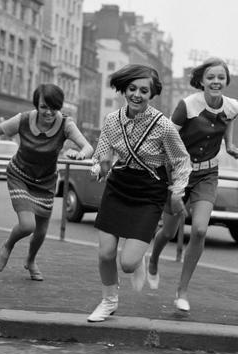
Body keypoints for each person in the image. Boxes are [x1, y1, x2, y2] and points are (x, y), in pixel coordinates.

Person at [87, 64, 191, 322]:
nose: (137, 95)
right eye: (132, 88)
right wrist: (99, 168)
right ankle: (109, 301)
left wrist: (177, 191)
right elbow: (101, 155)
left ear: (152, 93)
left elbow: (181, 161)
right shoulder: (112, 121)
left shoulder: (164, 126)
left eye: (143, 90)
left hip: (148, 192)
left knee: (128, 263)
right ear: (124, 89)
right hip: (118, 186)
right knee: (105, 253)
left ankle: (140, 257)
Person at [148, 58, 238, 313]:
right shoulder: (187, 106)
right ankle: (154, 259)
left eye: (220, 77)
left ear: (226, 81)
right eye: (210, 77)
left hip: (207, 174)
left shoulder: (232, 106)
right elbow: (166, 137)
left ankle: (182, 291)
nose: (216, 82)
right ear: (201, 81)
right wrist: (172, 182)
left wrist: (229, 145)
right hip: (180, 173)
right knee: (168, 231)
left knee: (200, 230)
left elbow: (229, 120)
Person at [0, 84, 93, 281]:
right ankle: (8, 245)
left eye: (53, 108)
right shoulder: (23, 120)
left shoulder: (65, 124)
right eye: (43, 107)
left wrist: (80, 155)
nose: (48, 112)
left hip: (46, 182)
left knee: (40, 232)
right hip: (19, 175)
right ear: (36, 105)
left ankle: (30, 261)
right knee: (27, 225)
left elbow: (88, 147)